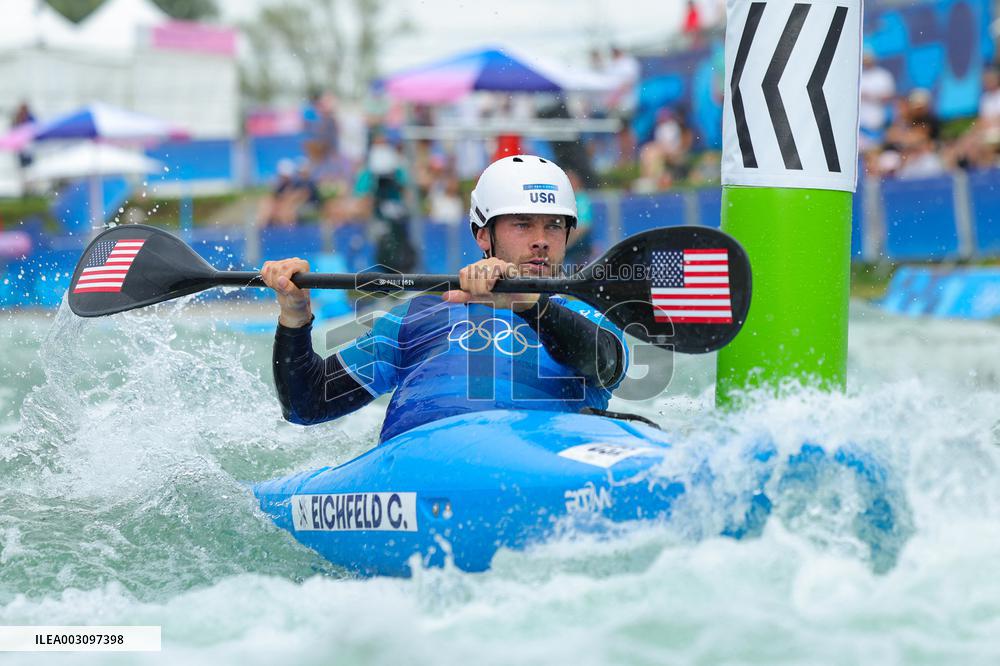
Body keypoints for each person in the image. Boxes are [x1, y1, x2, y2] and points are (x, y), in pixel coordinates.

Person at [261, 155, 629, 444]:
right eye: (522, 224)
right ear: (483, 235)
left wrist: (532, 305)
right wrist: (295, 317)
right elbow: (306, 405)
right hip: (417, 462)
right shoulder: (415, 317)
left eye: (553, 225)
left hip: (546, 456)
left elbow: (604, 365)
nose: (541, 240)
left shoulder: (587, 313)